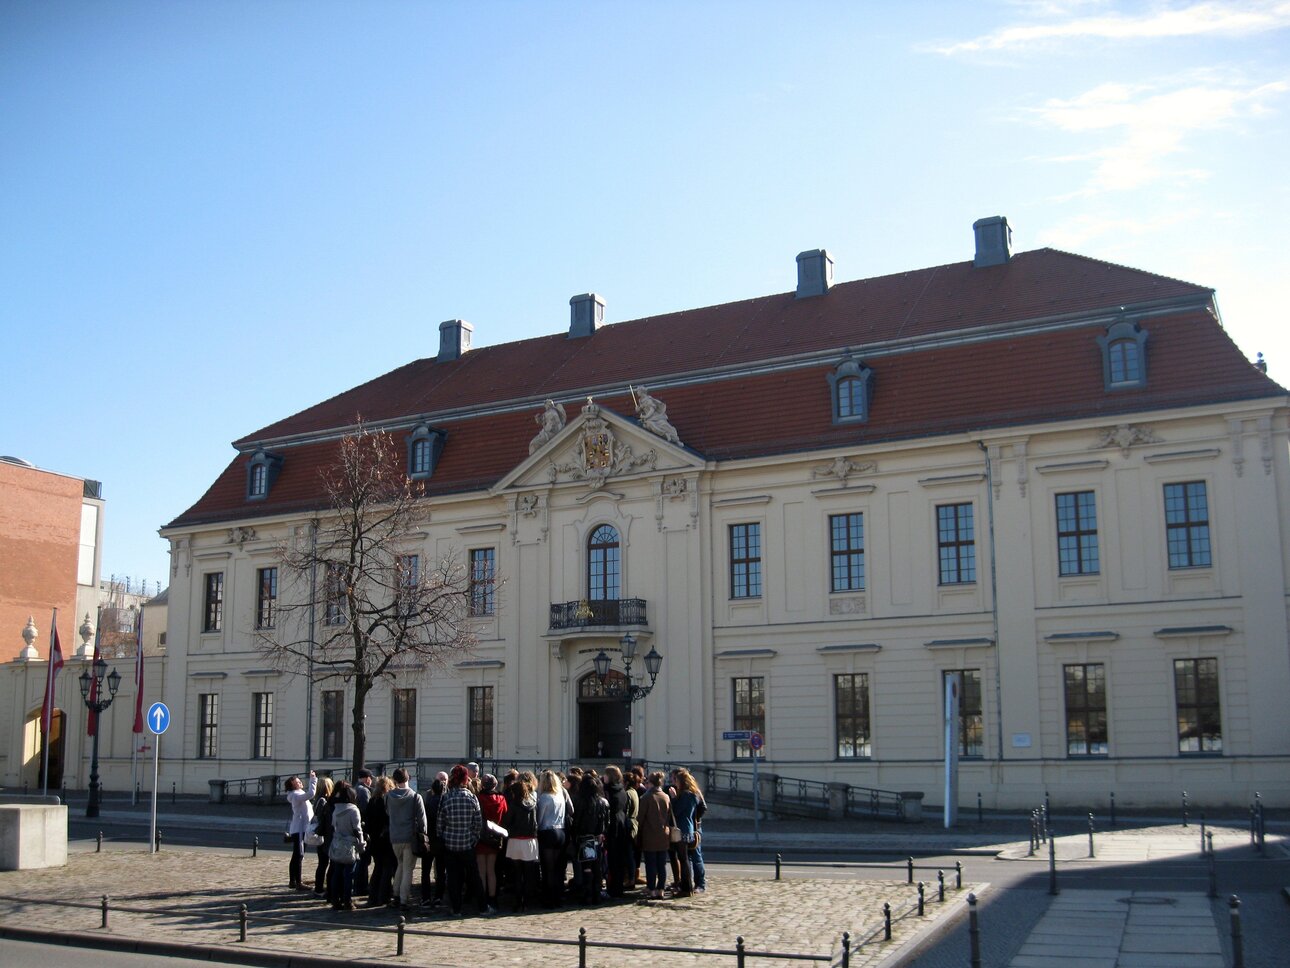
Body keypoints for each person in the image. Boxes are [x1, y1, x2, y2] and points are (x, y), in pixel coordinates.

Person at [437, 763, 483, 917]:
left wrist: (443, 837)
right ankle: (482, 907)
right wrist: (473, 839)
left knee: (453, 879)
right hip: (467, 843)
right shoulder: (472, 797)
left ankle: (456, 908)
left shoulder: (446, 797)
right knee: (474, 876)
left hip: (450, 843)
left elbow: (440, 822)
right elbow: (478, 823)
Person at [386, 767, 427, 912]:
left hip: (395, 837)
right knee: (408, 869)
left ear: (395, 780)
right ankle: (403, 900)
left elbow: (388, 813)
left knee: (400, 865)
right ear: (408, 778)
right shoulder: (415, 797)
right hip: (410, 837)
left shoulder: (389, 796)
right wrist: (424, 835)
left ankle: (396, 896)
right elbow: (422, 821)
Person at [502, 771, 539, 911]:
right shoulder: (533, 804)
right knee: (529, 873)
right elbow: (535, 822)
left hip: (516, 840)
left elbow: (507, 822)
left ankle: (518, 901)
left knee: (517, 873)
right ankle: (528, 901)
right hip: (530, 840)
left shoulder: (514, 805)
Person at [328, 781, 366, 910]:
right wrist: (361, 843)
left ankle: (335, 899)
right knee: (349, 874)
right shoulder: (353, 809)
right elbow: (357, 828)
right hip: (350, 844)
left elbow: (333, 825)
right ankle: (347, 899)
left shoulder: (336, 807)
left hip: (338, 842)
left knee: (337, 872)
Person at [571, 773, 608, 904]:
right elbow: (605, 821)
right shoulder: (601, 801)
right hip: (597, 837)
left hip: (584, 837)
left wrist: (575, 834)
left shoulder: (579, 801)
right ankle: (596, 894)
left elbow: (576, 820)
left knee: (587, 866)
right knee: (597, 866)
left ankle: (587, 894)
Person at [475, 773, 508, 914]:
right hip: (495, 836)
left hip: (481, 836)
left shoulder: (479, 798)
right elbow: (505, 813)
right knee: (492, 870)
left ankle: (483, 899)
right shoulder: (501, 798)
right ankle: (492, 898)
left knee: (482, 870)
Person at [637, 771, 672, 900]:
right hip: (663, 834)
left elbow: (640, 818)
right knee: (661, 864)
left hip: (649, 834)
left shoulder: (646, 797)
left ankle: (651, 888)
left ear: (650, 783)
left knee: (650, 864)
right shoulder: (665, 796)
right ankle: (661, 889)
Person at [602, 765, 636, 897]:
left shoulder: (609, 791)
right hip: (622, 824)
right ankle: (618, 886)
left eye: (605, 775)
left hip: (613, 826)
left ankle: (612, 888)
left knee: (612, 860)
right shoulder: (622, 790)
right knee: (619, 859)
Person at [536, 769, 567, 908]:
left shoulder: (544, 798)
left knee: (548, 868)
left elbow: (540, 819)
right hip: (561, 831)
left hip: (547, 832)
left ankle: (549, 898)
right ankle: (559, 896)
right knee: (558, 867)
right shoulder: (560, 796)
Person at [669, 769, 701, 897]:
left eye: (676, 780)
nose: (674, 782)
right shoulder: (693, 794)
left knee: (684, 859)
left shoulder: (686, 795)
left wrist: (673, 798)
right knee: (684, 858)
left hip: (682, 829)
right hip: (688, 827)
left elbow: (677, 811)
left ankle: (686, 888)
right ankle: (686, 886)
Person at [365, 775, 396, 907]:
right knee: (387, 869)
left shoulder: (372, 801)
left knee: (378, 868)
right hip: (386, 839)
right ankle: (383, 896)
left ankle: (373, 895)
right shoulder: (387, 801)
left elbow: (367, 821)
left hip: (375, 840)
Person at [284, 771, 317, 890]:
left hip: (302, 828)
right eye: (297, 782)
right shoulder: (296, 795)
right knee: (299, 855)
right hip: (299, 829)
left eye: (299, 781)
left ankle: (293, 881)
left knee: (296, 855)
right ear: (293, 786)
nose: (300, 783)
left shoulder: (298, 793)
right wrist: (313, 779)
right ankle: (298, 882)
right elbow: (311, 793)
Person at [420, 776, 447, 908]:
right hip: (441, 840)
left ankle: (425, 898)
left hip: (428, 840)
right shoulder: (445, 803)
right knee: (441, 871)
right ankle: (438, 897)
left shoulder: (427, 802)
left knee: (425, 871)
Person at [311, 776, 335, 900]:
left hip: (322, 834)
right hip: (324, 835)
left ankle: (320, 887)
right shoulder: (323, 801)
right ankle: (319, 888)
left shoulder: (318, 799)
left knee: (323, 863)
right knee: (324, 863)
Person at [353, 768, 374, 896]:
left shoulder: (355, 788)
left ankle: (357, 885)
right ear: (367, 779)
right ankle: (362, 887)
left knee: (359, 860)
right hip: (364, 829)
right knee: (364, 860)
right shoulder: (364, 791)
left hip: (355, 828)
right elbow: (367, 812)